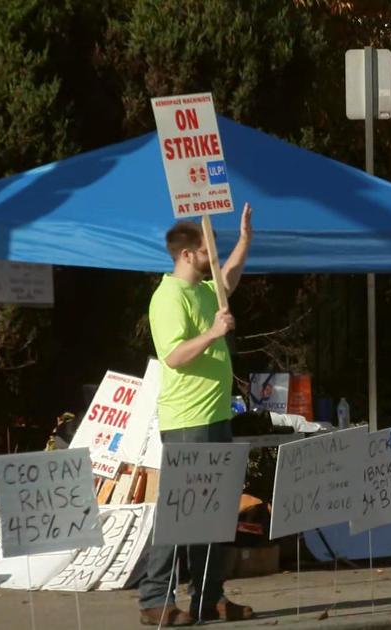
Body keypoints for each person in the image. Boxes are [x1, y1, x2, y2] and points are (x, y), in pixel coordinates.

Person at [138, 204, 256, 626]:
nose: (213, 257)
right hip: (187, 419)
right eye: (208, 250)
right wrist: (212, 333)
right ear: (187, 254)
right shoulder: (168, 297)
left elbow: (229, 280)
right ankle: (155, 598)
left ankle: (210, 596)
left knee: (217, 509)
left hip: (215, 414)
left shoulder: (206, 290)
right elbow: (174, 356)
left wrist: (245, 241)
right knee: (180, 510)